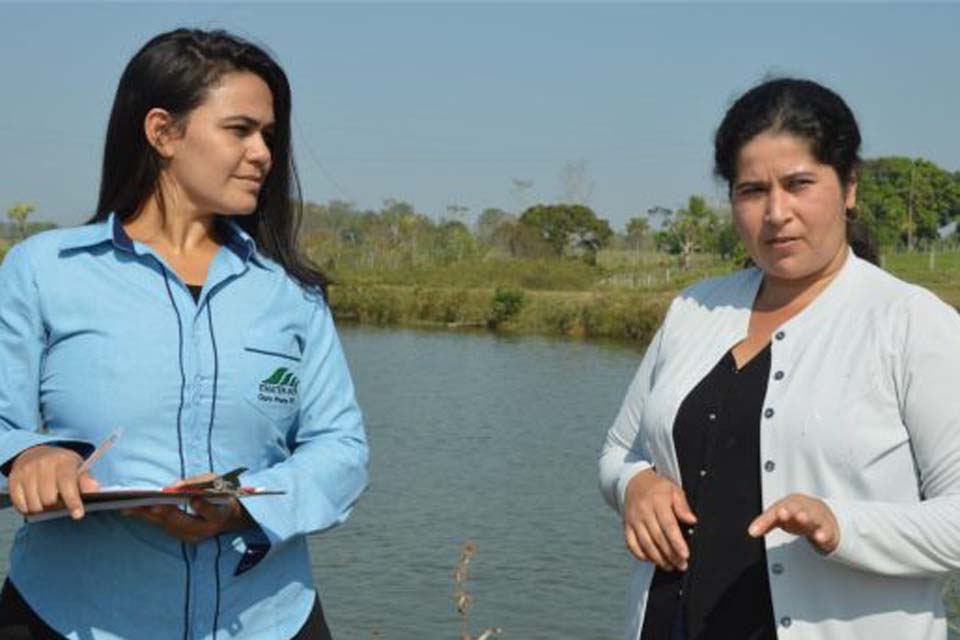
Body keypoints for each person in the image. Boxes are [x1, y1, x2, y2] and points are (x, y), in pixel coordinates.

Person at [0, 28, 368, 639]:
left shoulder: (291, 294)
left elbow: (341, 450)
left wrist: (238, 501)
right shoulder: (42, 271)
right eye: (240, 130)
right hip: (70, 618)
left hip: (269, 620)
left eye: (268, 136)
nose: (263, 154)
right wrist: (32, 457)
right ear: (162, 132)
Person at [599, 77, 960, 640]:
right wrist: (635, 487)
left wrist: (844, 525)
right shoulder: (694, 309)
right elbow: (621, 449)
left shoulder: (909, 322)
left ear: (848, 187)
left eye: (799, 184)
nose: (776, 213)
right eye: (751, 190)